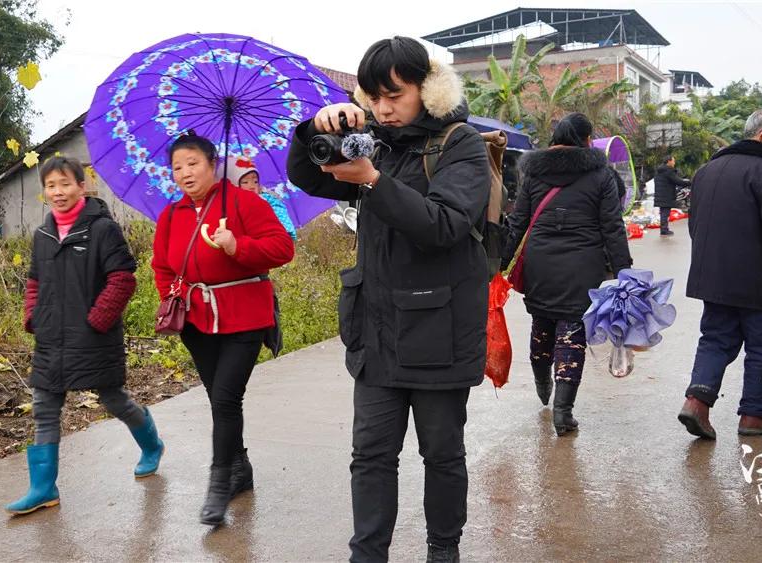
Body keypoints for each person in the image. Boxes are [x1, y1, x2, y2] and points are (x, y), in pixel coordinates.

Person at [287, 36, 490, 563]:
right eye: (372, 97)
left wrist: (374, 182)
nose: (382, 108)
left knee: (442, 455)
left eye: (394, 95)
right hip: (376, 330)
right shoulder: (370, 140)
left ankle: (443, 551)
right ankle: (367, 555)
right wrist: (317, 128)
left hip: (439, 332)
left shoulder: (459, 144)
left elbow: (444, 224)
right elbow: (306, 175)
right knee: (371, 456)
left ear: (427, 89)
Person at [6, 156, 163, 515]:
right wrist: (32, 315)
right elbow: (34, 281)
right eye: (50, 186)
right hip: (50, 336)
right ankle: (43, 488)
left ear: (81, 186)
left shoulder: (102, 229)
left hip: (93, 333)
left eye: (65, 184)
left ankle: (152, 445)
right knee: (45, 407)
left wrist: (97, 320)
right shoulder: (43, 234)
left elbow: (123, 278)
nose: (58, 192)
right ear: (44, 192)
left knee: (113, 400)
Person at [152, 132, 294, 526]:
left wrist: (237, 246)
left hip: (244, 316)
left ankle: (218, 485)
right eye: (177, 167)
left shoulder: (244, 202)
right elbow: (162, 265)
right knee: (219, 399)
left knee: (227, 398)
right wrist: (174, 294)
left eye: (193, 163)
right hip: (195, 320)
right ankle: (240, 468)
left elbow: (283, 249)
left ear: (213, 164)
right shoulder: (171, 215)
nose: (185, 173)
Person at [677, 109, 762, 441]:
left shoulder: (707, 171)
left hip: (714, 278)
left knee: (714, 339)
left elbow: (697, 227)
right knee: (761, 346)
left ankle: (696, 402)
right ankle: (755, 415)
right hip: (758, 282)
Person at [501, 113, 632, 435]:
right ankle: (563, 411)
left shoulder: (533, 173)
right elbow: (612, 227)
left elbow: (518, 222)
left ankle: (542, 382)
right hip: (583, 266)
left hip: (540, 264)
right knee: (572, 332)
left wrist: (500, 265)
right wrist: (624, 271)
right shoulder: (601, 175)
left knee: (542, 323)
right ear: (587, 140)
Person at [223, 156, 298, 240]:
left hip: (269, 237)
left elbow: (279, 212)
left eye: (255, 182)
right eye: (245, 182)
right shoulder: (230, 204)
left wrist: (285, 231)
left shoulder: (266, 198)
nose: (252, 186)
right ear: (235, 185)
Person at [652, 155, 691, 235]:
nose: (674, 162)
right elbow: (677, 181)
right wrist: (690, 182)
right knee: (665, 213)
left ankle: (664, 229)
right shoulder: (668, 171)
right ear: (669, 161)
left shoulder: (660, 170)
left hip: (661, 194)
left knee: (663, 212)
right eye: (673, 161)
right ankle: (664, 230)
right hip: (666, 195)